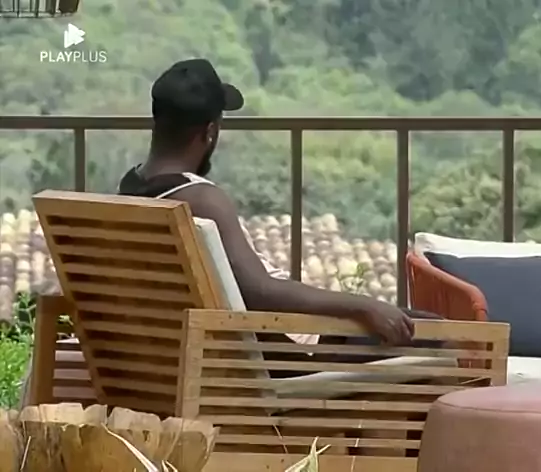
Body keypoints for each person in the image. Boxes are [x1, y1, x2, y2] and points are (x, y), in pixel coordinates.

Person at [117, 58, 433, 349]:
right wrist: (363, 305)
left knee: (419, 324)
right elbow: (261, 292)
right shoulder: (201, 199)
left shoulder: (130, 191)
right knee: (437, 335)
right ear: (209, 132)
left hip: (190, 345)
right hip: (284, 348)